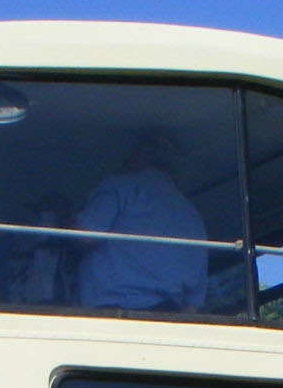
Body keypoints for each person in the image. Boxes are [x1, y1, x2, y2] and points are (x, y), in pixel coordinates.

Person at [74, 130, 211, 311]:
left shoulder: (120, 187)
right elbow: (193, 303)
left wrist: (64, 222)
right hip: (167, 321)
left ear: (138, 156)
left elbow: (85, 236)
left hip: (113, 315)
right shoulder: (194, 217)